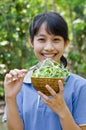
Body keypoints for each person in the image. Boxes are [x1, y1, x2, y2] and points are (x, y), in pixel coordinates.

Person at [3, 12, 86, 130]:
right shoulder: (20, 84)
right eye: (41, 39)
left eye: (56, 40)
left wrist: (63, 111)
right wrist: (10, 98)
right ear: (31, 42)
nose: (49, 47)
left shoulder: (80, 86)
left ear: (66, 43)